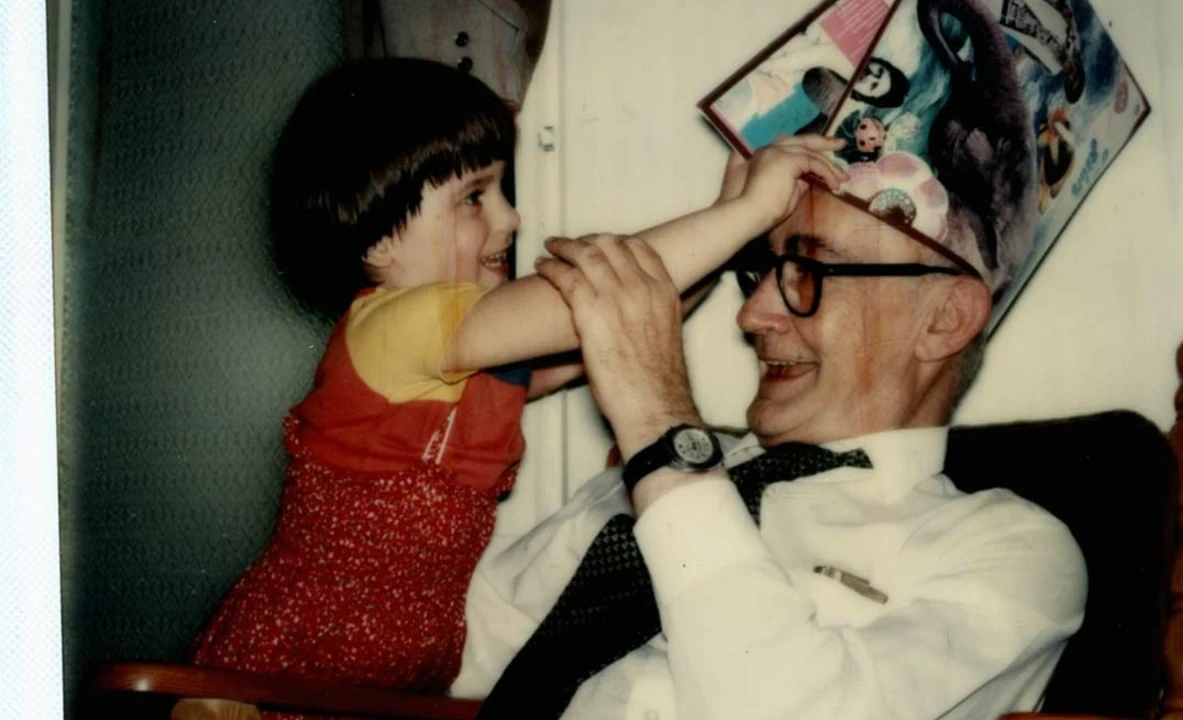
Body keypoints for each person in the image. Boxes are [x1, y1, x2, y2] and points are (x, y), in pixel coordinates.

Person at [189, 56, 846, 705]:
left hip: (384, 682)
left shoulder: (460, 357)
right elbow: (589, 299)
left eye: (502, 191)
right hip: (284, 677)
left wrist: (729, 216)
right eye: (474, 197)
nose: (510, 219)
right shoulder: (395, 325)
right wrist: (752, 210)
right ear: (377, 239)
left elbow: (624, 319)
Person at [449, 164, 1088, 719]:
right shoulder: (642, 482)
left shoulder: (1010, 551)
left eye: (809, 271)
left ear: (945, 319)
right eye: (761, 270)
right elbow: (448, 659)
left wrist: (662, 429)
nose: (752, 314)